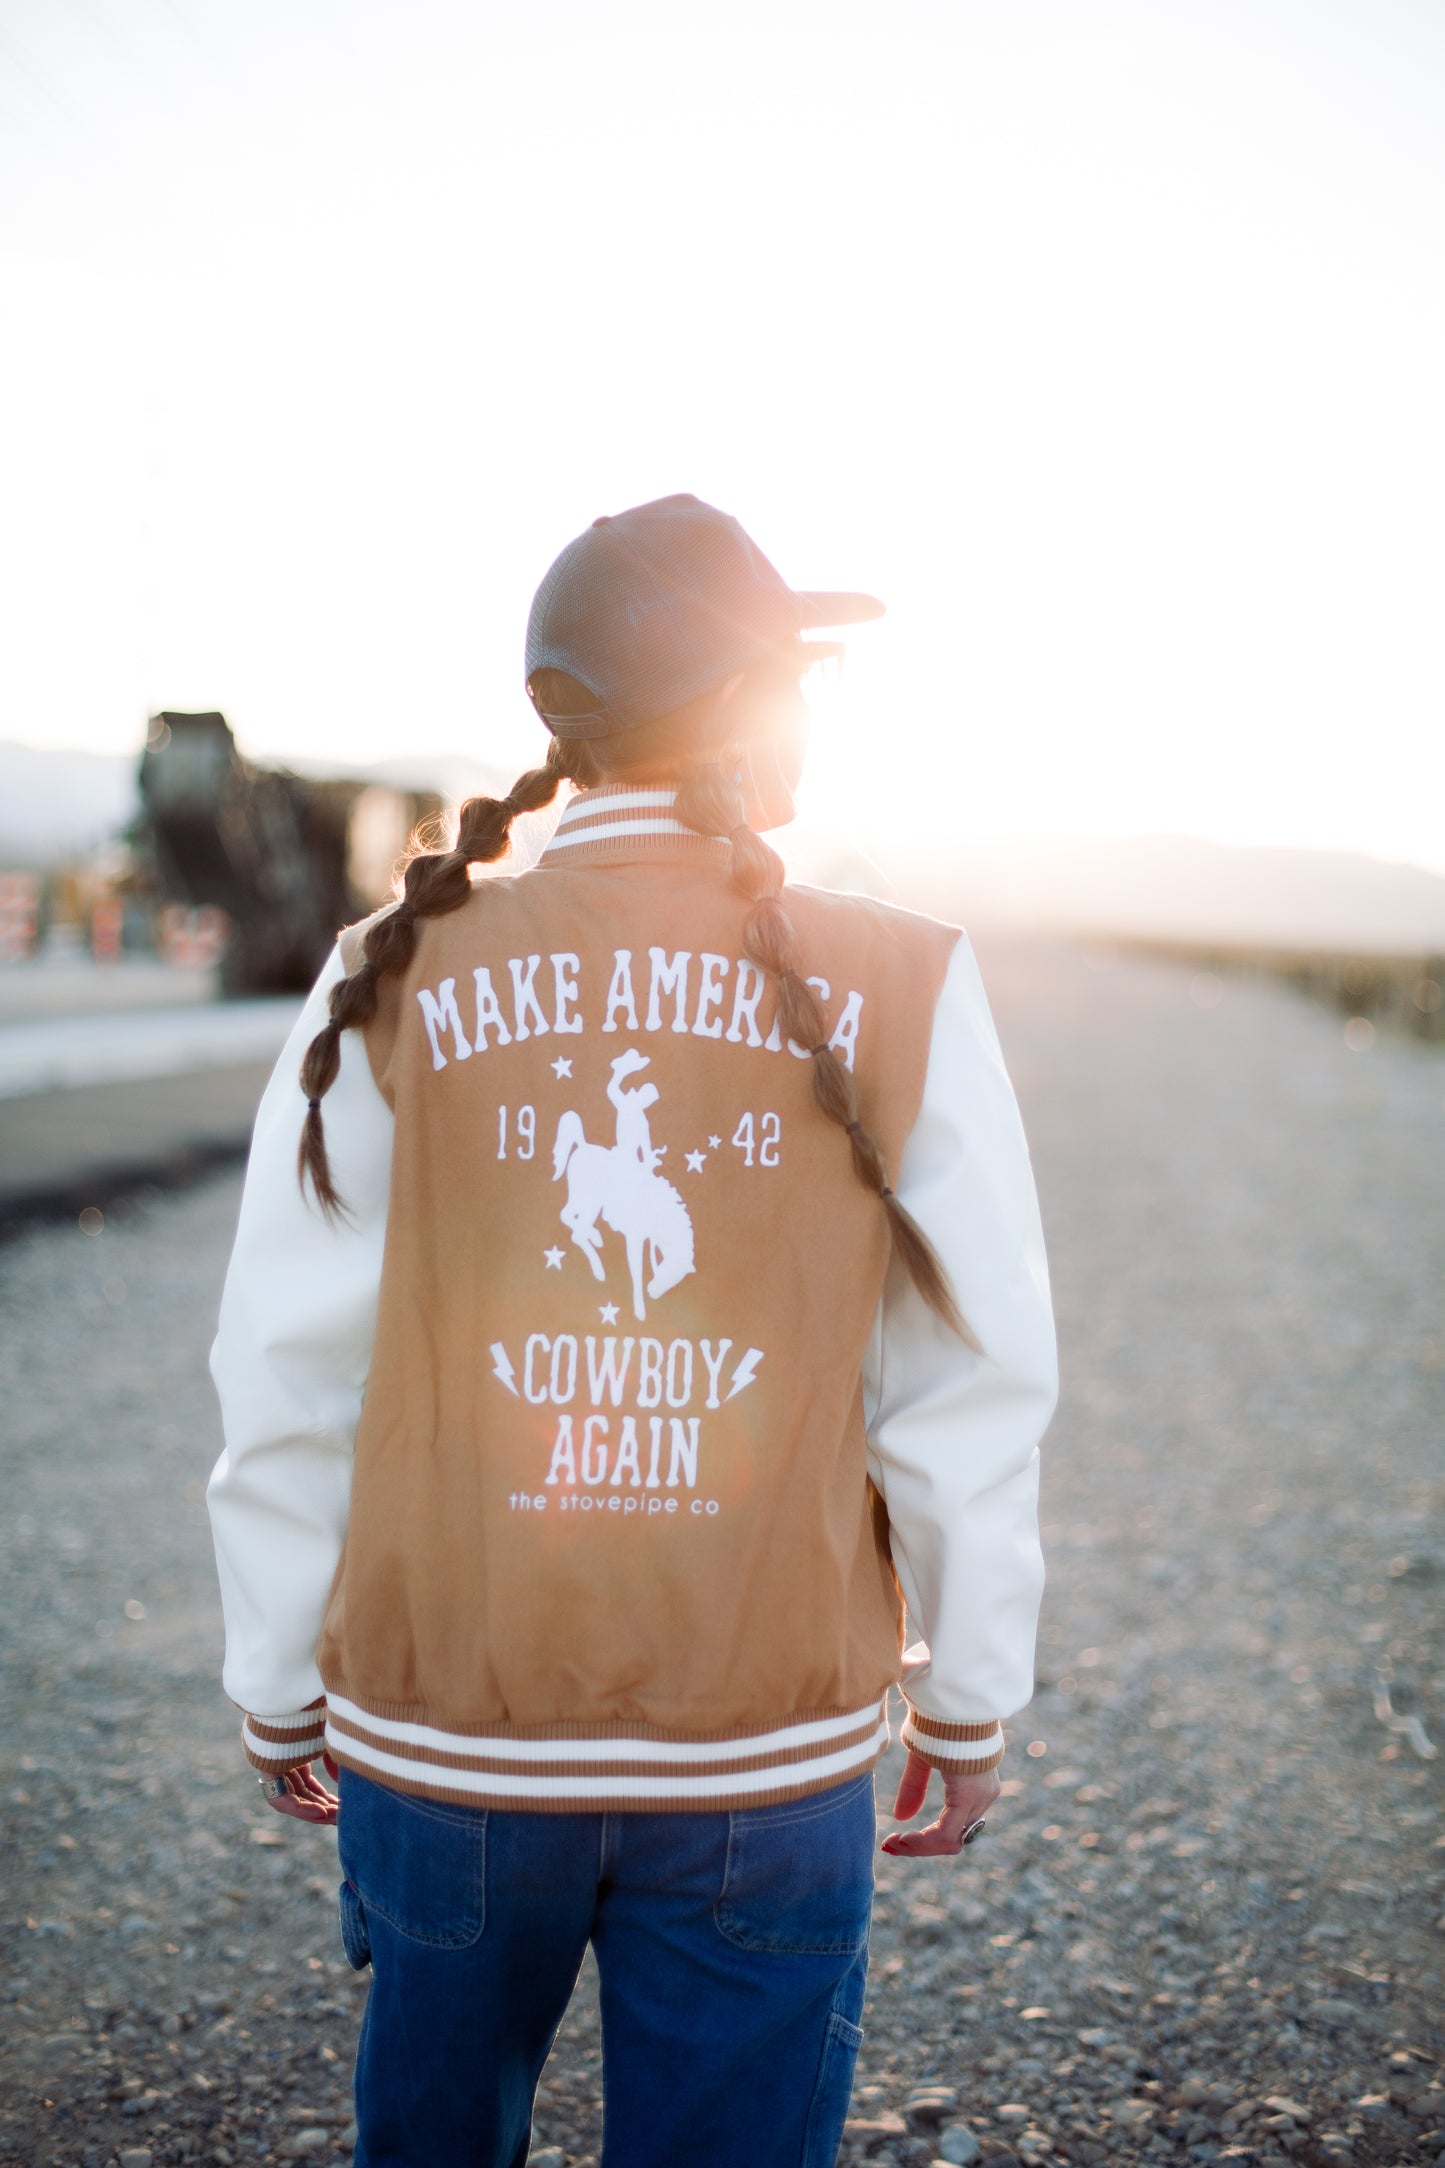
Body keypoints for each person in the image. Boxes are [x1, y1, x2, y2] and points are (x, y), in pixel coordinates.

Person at [206, 493, 1058, 2168]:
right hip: (764, 1748)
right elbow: (963, 1378)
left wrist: (273, 1678)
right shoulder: (905, 976)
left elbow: (287, 1362)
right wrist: (963, 1694)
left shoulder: (390, 966)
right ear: (742, 705)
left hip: (448, 1738)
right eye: (797, 672)